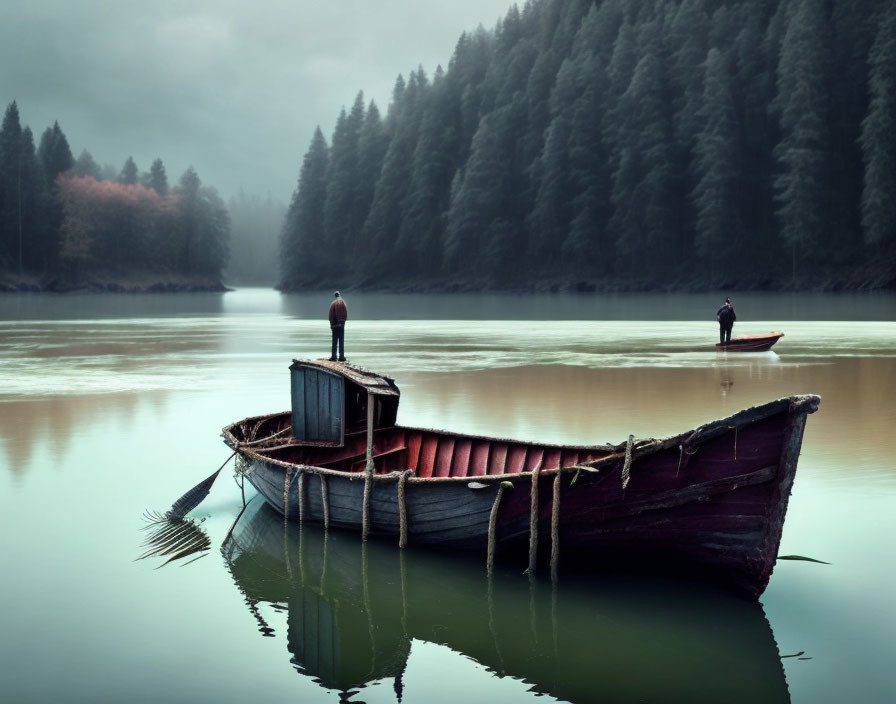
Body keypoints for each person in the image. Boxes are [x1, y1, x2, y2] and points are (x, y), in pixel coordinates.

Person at [328, 291, 348, 361]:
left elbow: (330, 315)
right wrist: (343, 323)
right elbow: (345, 314)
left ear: (335, 296)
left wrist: (331, 324)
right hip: (341, 325)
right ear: (339, 295)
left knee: (334, 341)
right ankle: (341, 356)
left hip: (334, 325)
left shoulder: (333, 304)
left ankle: (334, 356)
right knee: (341, 341)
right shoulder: (343, 303)